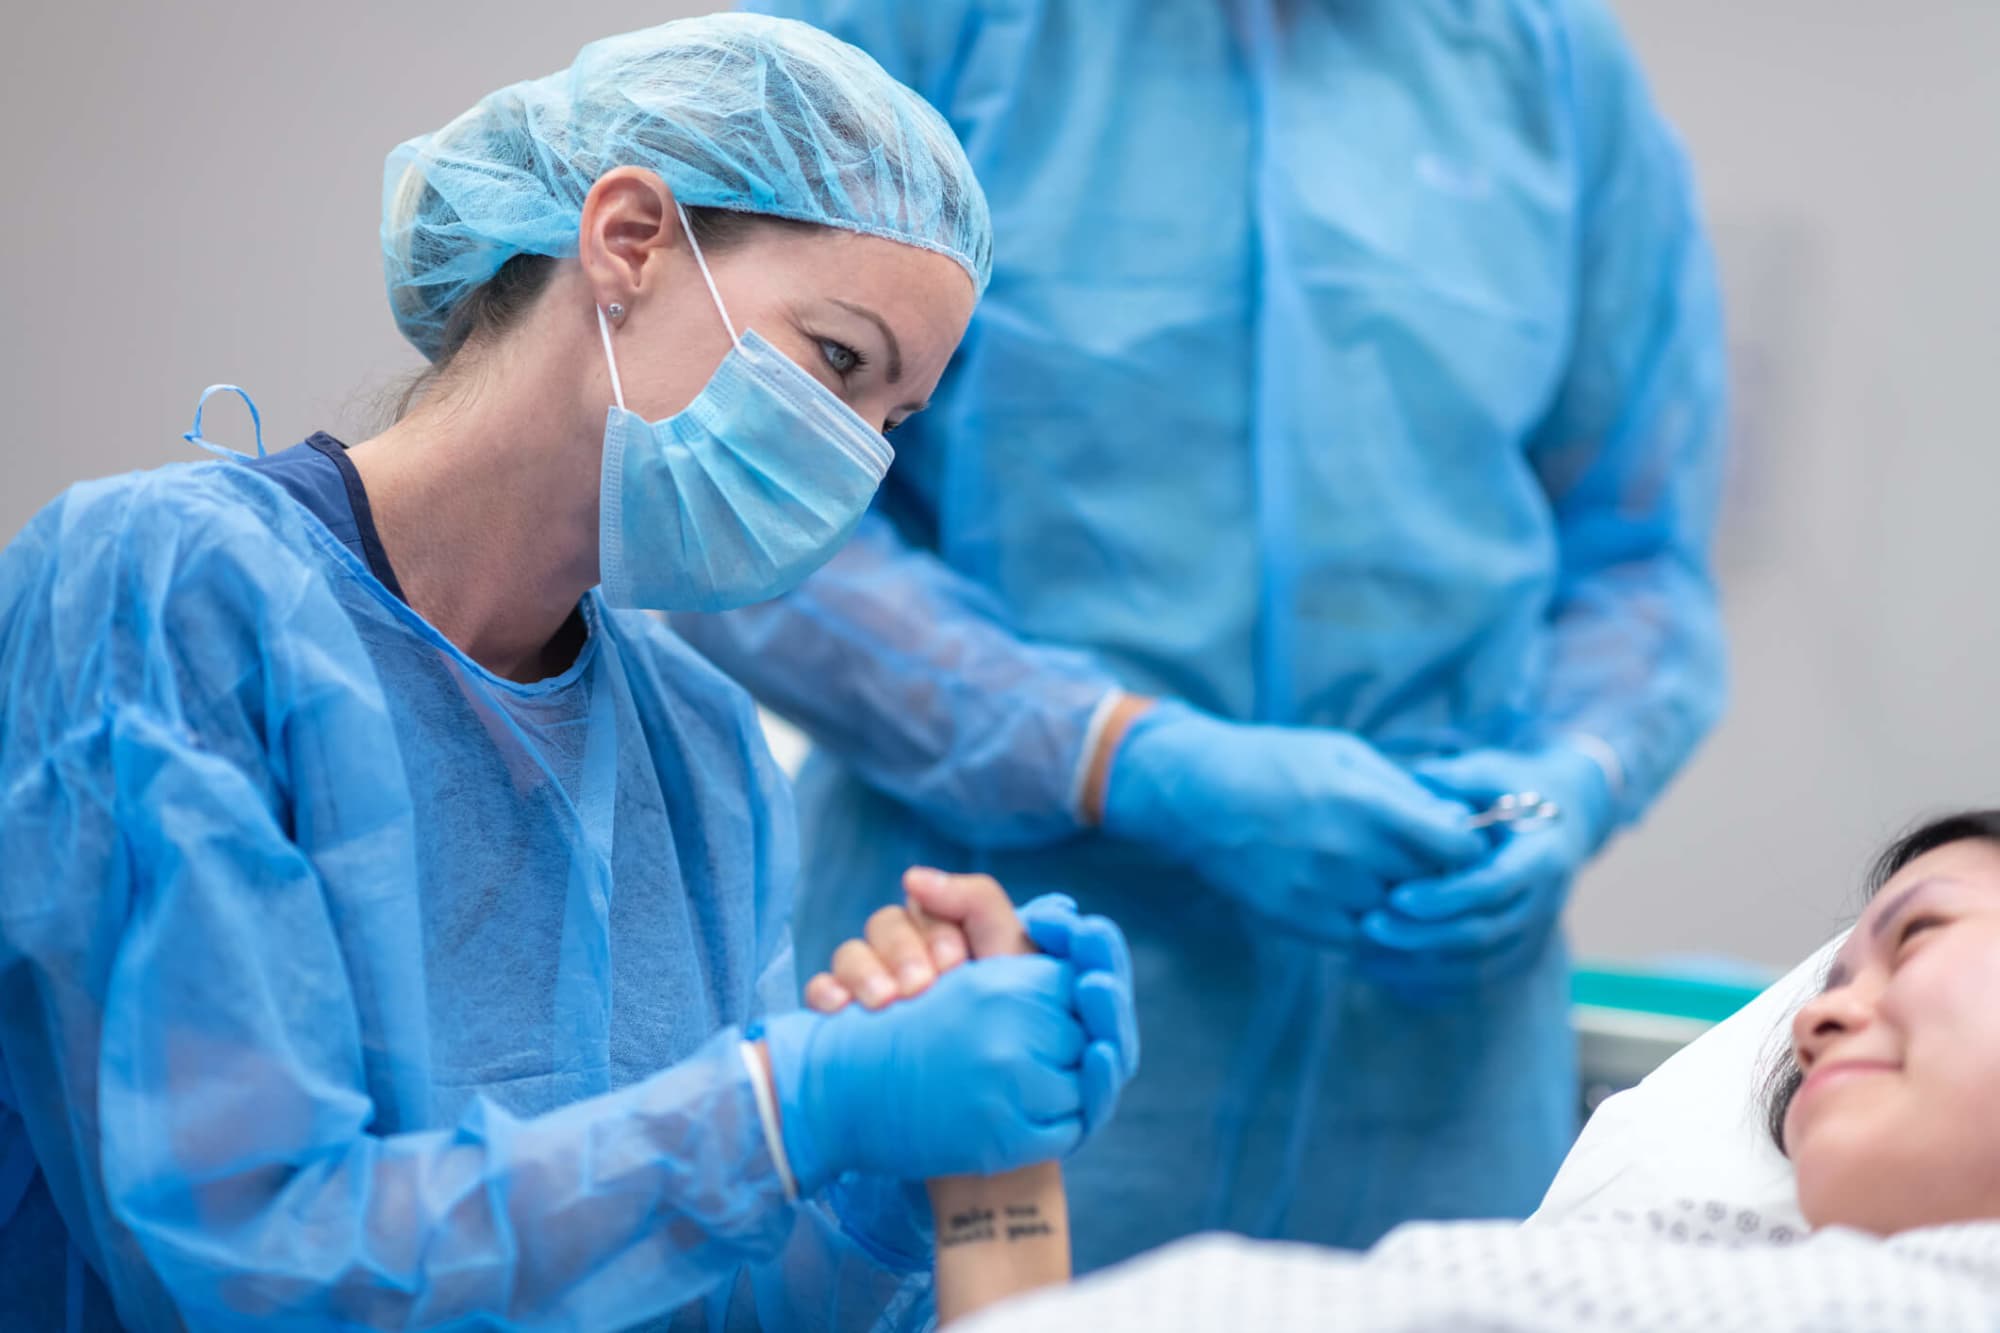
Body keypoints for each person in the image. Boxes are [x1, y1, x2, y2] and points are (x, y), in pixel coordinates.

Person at [0, 15, 1137, 1331]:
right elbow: (256, 1259)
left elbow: (703, 1300)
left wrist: (882, 1176)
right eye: (837, 363)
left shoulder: (699, 753)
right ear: (630, 241)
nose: (855, 456)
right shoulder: (164, 598)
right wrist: (782, 1109)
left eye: (892, 420)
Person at [675, 0, 1730, 1269]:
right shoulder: (926, 32)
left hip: (1434, 1060)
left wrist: (1576, 777)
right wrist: (1114, 755)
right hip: (990, 972)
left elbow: (1639, 562)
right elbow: (746, 499)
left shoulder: (1547, 65)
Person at [821, 813, 2000, 1331]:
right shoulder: (1694, 1264)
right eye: (1828, 975)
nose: (1813, 1019)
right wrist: (994, 1172)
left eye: (1921, 934)